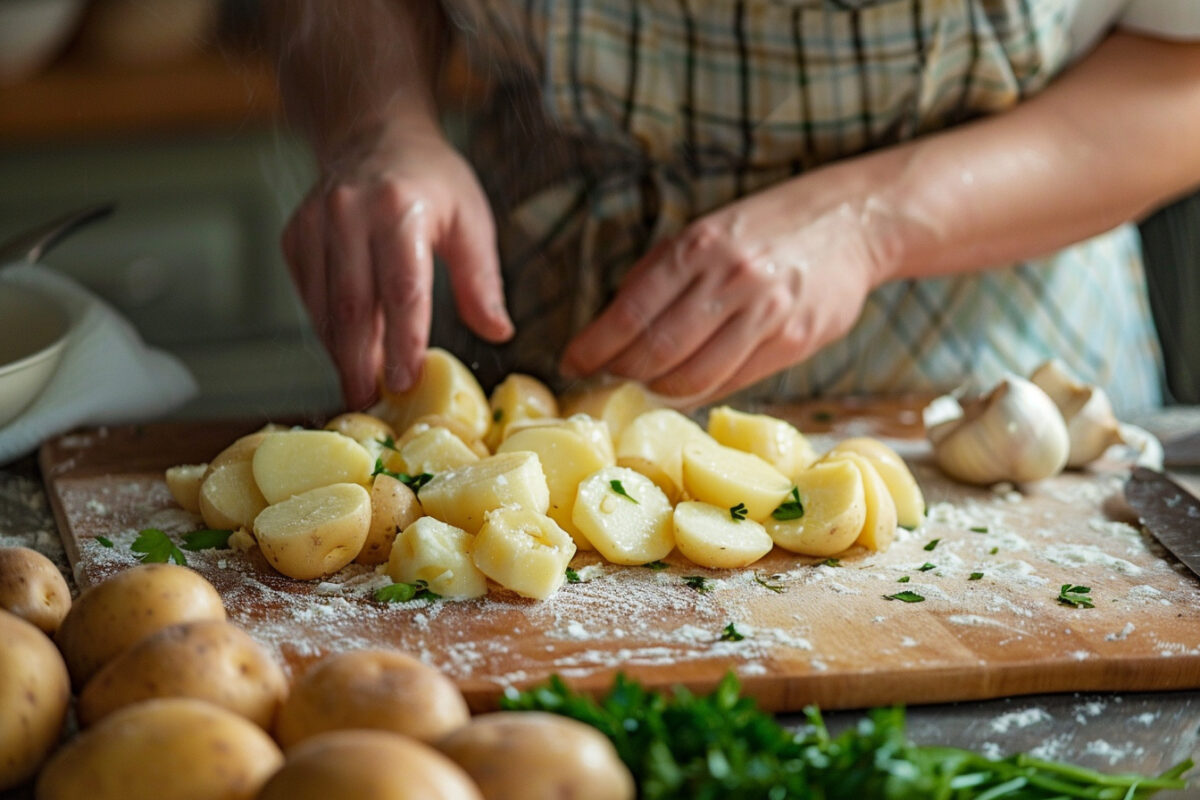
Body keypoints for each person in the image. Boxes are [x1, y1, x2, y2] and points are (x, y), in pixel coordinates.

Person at [265, 0, 1200, 415]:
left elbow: (1181, 71)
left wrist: (870, 220)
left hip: (974, 392)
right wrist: (378, 119)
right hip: (528, 368)